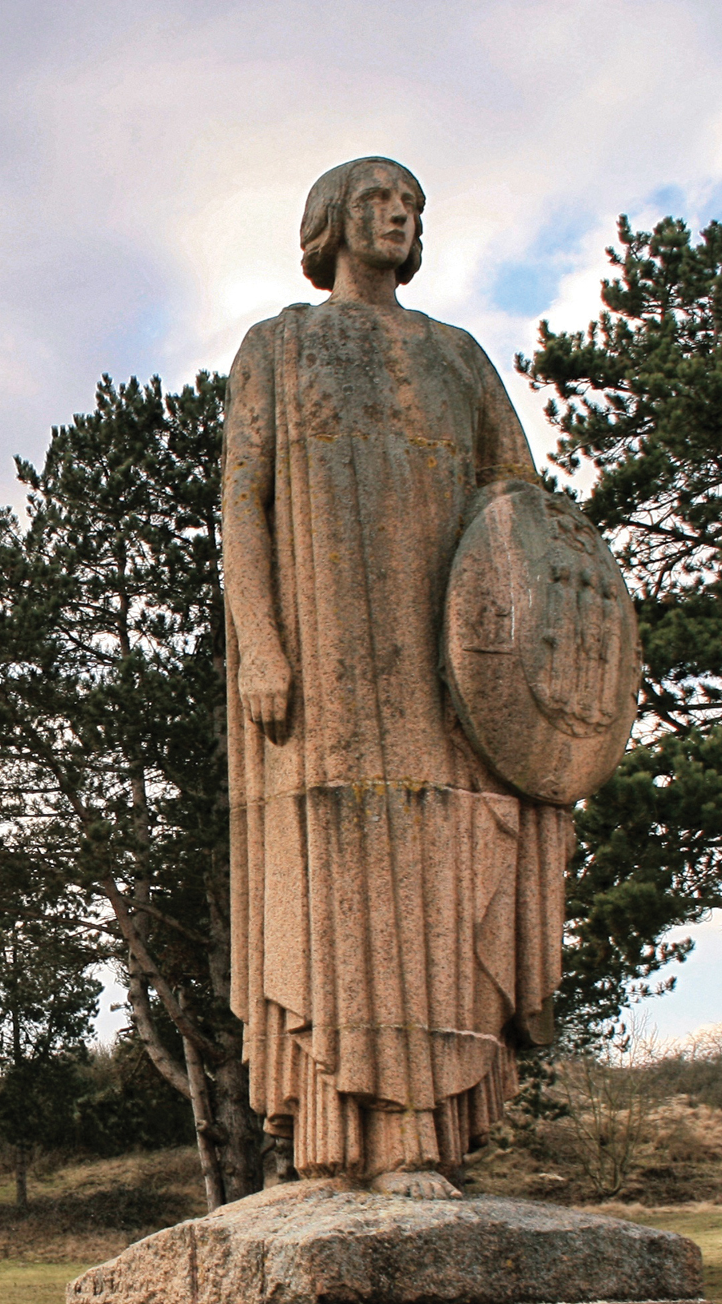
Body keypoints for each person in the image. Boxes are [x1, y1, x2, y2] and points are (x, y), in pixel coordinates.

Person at [221, 156, 571, 1194]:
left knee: (438, 873)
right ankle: (330, 1136)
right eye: (379, 200)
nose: (399, 216)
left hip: (449, 671)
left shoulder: (458, 357)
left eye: (412, 204)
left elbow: (522, 507)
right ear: (331, 221)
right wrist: (262, 644)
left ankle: (420, 1136)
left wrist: (527, 673)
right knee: (336, 874)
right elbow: (243, 504)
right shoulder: (281, 345)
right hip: (327, 657)